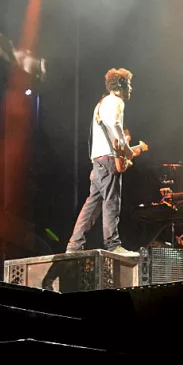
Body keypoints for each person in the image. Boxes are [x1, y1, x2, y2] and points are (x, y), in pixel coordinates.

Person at [66, 68, 140, 257]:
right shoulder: (116, 101)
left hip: (98, 161)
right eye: (129, 84)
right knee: (111, 202)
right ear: (122, 85)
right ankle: (113, 245)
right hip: (107, 160)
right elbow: (113, 123)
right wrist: (126, 148)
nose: (131, 88)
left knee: (92, 205)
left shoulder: (101, 103)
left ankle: (74, 245)